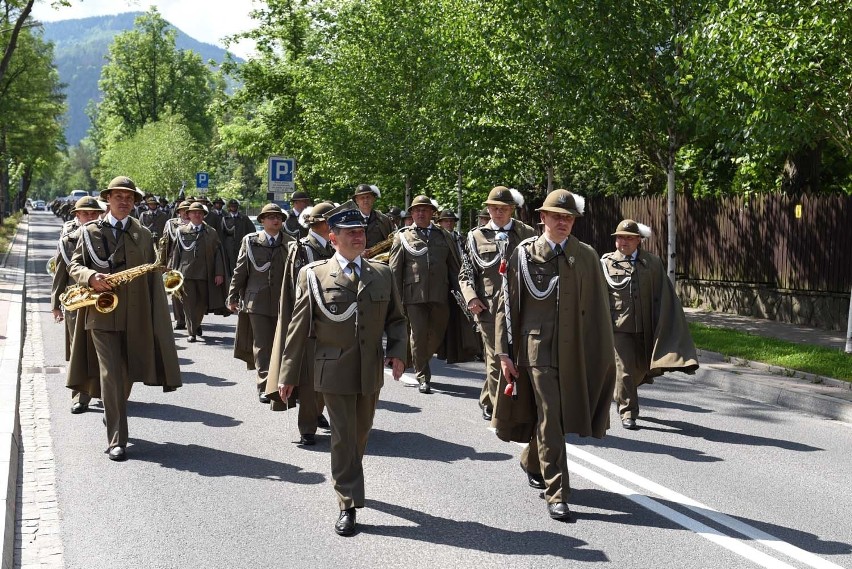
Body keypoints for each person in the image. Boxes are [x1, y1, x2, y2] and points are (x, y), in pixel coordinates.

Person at [277, 206, 408, 537]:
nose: (358, 236)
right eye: (350, 232)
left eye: (361, 231)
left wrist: (397, 353)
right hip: (331, 369)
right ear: (333, 238)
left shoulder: (381, 272)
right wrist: (287, 374)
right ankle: (347, 503)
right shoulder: (314, 274)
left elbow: (396, 319)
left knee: (361, 433)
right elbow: (298, 327)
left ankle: (350, 478)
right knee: (343, 436)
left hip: (369, 372)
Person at [494, 188, 615, 520]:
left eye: (569, 217)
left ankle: (531, 460)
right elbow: (505, 305)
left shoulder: (586, 256)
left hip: (573, 350)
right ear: (542, 218)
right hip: (537, 349)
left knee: (555, 416)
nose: (563, 222)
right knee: (551, 414)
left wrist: (601, 355)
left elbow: (598, 309)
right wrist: (504, 353)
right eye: (556, 216)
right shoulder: (523, 254)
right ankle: (557, 492)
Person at [65, 176, 182, 461]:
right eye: (119, 196)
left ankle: (112, 409)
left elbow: (151, 273)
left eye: (129, 197)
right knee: (112, 373)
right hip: (101, 316)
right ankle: (117, 439)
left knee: (127, 374)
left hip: (136, 315)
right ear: (108, 199)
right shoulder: (90, 230)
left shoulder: (142, 233)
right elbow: (75, 265)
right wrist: (91, 277)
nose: (124, 201)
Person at [601, 219, 699, 430]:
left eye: (628, 238)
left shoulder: (652, 263)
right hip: (619, 327)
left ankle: (621, 392)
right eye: (619, 237)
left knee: (641, 369)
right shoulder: (606, 263)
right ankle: (628, 411)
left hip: (646, 325)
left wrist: (667, 324)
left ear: (638, 240)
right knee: (625, 370)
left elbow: (664, 294)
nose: (623, 242)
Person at [459, 186, 536, 421]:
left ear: (512, 209)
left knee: (518, 357)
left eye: (503, 208)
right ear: (488, 209)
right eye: (494, 208)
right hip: (490, 308)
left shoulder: (527, 234)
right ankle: (499, 410)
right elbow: (466, 272)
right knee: (495, 360)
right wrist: (471, 296)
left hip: (522, 306)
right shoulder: (476, 236)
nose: (498, 212)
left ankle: (488, 398)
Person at [266, 201, 337, 444]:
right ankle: (307, 427)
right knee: (308, 379)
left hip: (334, 321)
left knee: (329, 374)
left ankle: (317, 414)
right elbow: (299, 290)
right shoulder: (303, 249)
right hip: (309, 321)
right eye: (332, 222)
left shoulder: (334, 247)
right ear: (322, 224)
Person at [389, 195, 461, 393]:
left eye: (425, 210)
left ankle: (415, 358)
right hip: (413, 295)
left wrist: (462, 293)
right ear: (411, 213)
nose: (420, 213)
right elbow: (395, 270)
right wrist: (394, 300)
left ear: (432, 213)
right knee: (419, 334)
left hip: (441, 293)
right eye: (417, 210)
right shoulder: (403, 236)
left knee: (437, 335)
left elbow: (455, 268)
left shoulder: (444, 236)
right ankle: (423, 376)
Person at [229, 203, 293, 403]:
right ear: (262, 221)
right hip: (256, 302)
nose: (276, 220)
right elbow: (240, 270)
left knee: (283, 345)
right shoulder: (251, 241)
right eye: (271, 217)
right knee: (263, 346)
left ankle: (282, 385)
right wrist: (232, 295)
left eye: (279, 217)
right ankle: (264, 385)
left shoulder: (290, 243)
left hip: (284, 302)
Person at [50, 196, 105, 414]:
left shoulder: (106, 238)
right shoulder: (68, 241)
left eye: (94, 214)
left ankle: (105, 391)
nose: (91, 217)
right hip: (76, 303)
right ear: (77, 216)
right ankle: (80, 397)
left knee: (104, 349)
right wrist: (55, 304)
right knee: (78, 352)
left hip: (103, 302)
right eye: (86, 214)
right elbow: (60, 273)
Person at [172, 202, 227, 342]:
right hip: (186, 273)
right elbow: (176, 253)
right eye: (194, 212)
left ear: (203, 215)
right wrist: (172, 274)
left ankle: (196, 324)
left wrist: (219, 273)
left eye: (200, 213)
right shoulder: (181, 231)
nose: (197, 215)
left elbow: (218, 254)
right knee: (188, 303)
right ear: (188, 215)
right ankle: (192, 332)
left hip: (205, 273)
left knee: (202, 304)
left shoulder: (211, 232)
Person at [164, 200, 191, 329]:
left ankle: (193, 321)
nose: (186, 213)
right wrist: (163, 263)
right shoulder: (171, 224)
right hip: (174, 261)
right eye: (183, 210)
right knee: (176, 291)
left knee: (192, 292)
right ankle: (180, 320)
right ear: (178, 212)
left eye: (188, 210)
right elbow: (165, 244)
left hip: (192, 263)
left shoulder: (199, 224)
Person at [221, 198, 257, 280]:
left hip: (242, 245)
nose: (233, 208)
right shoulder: (225, 219)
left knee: (242, 263)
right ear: (229, 207)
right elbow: (222, 234)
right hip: (230, 246)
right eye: (232, 206)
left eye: (235, 206)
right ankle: (233, 281)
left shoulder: (244, 218)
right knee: (231, 264)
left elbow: (252, 231)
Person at [352, 184, 395, 248]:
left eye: (368, 197)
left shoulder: (384, 220)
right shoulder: (350, 220)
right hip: (355, 257)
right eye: (362, 198)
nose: (365, 200)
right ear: (357, 201)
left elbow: (392, 242)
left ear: (373, 199)